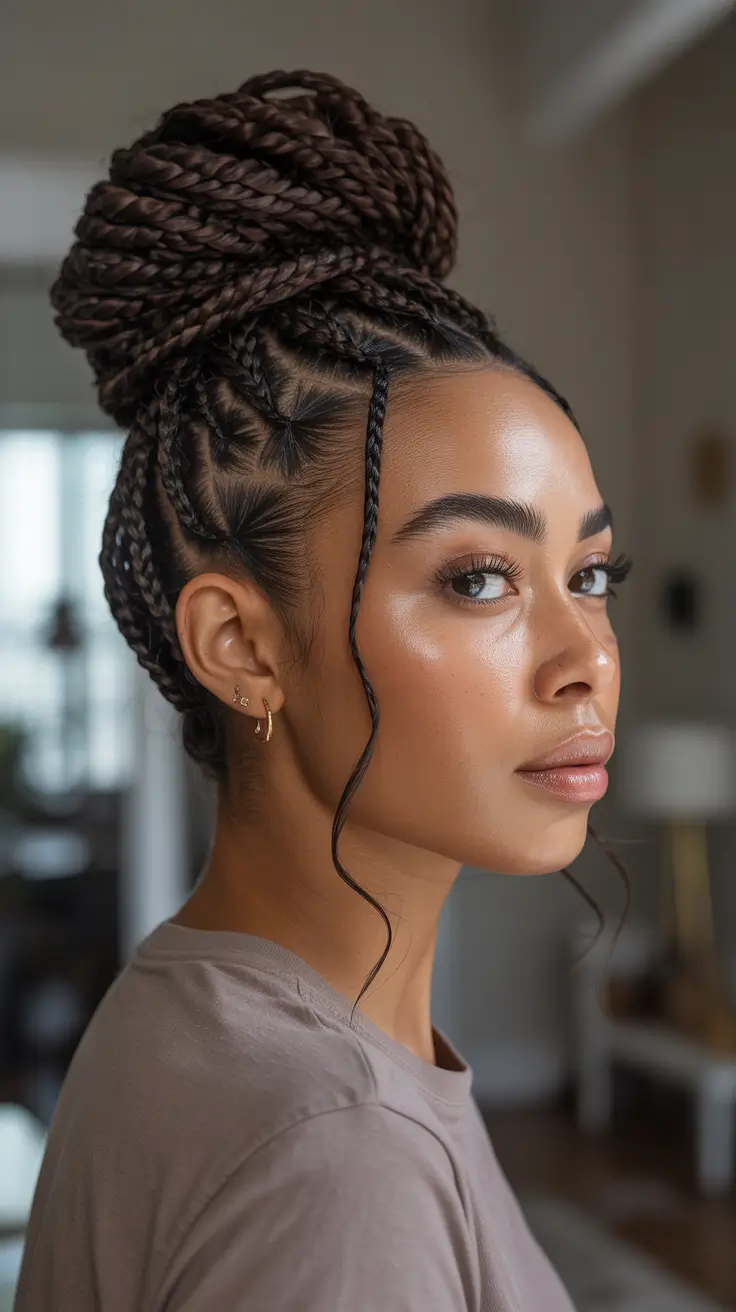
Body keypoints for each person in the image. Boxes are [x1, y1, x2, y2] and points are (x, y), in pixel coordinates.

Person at [14, 69, 632, 1311]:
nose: (587, 658)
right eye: (477, 579)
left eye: (590, 572)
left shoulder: (187, 1005)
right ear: (241, 646)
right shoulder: (338, 1156)